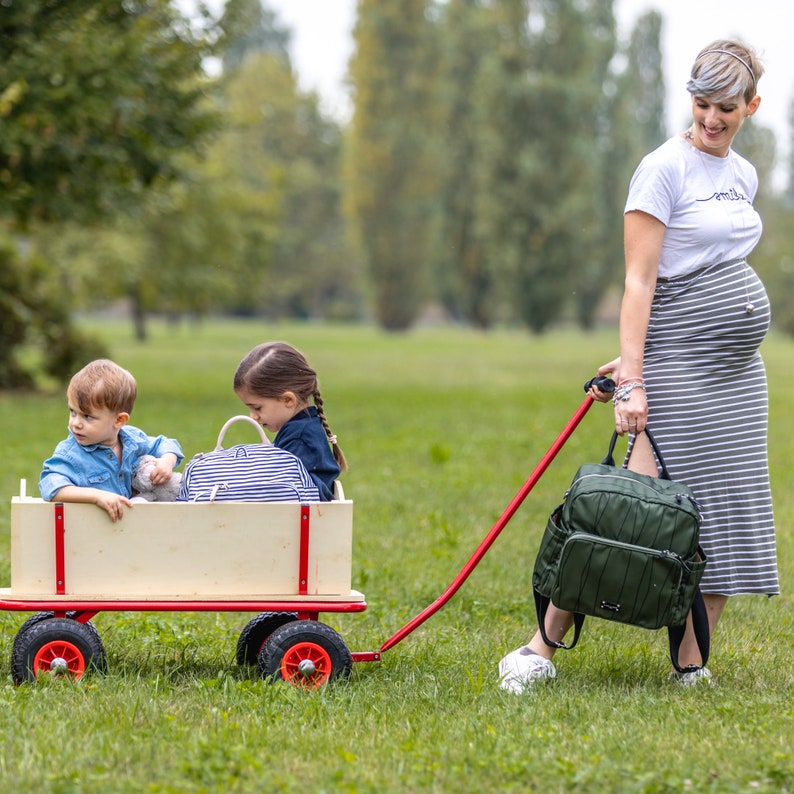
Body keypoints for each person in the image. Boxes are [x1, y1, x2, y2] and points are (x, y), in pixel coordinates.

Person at [499, 39, 779, 691]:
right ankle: (537, 652)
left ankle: (690, 665)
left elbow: (713, 267)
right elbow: (640, 283)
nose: (712, 119)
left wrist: (644, 349)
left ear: (752, 107)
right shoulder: (662, 169)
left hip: (737, 379)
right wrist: (633, 375)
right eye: (702, 104)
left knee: (726, 516)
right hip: (678, 369)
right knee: (624, 514)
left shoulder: (743, 175)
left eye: (727, 108)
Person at [39, 359, 184, 522]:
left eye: (87, 416)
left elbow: (165, 443)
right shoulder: (71, 453)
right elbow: (51, 486)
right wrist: (96, 496)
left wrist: (167, 461)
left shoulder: (132, 439)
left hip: (133, 529)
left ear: (119, 421)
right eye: (73, 412)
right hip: (94, 531)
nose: (76, 423)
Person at [233, 341, 347, 501]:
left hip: (304, 522)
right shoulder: (300, 428)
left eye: (257, 408)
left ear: (288, 400)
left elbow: (282, 493)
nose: (253, 416)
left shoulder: (299, 439)